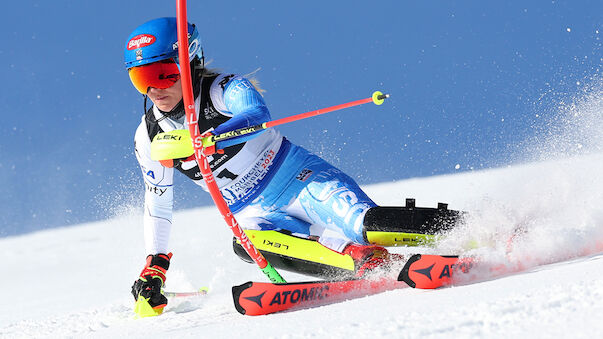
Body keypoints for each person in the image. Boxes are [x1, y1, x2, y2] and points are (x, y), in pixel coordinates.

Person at [124, 17, 460, 315]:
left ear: (190, 61)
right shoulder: (149, 137)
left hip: (299, 179)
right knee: (246, 243)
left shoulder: (224, 89)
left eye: (163, 73)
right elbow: (158, 204)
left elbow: (257, 116)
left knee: (364, 224)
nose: (154, 88)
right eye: (141, 79)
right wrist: (155, 267)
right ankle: (365, 260)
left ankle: (473, 229)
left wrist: (209, 139)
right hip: (251, 212)